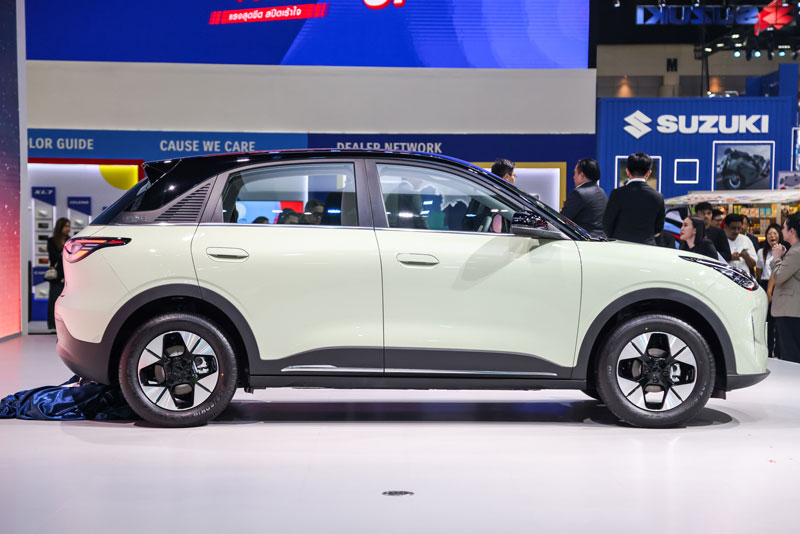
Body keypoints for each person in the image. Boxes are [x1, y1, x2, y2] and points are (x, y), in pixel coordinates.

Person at [602, 152, 665, 245]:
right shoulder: (658, 197)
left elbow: (607, 224)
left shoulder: (617, 194)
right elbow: (658, 229)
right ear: (648, 173)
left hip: (621, 246)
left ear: (627, 172)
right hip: (647, 247)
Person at [769, 213, 800, 363]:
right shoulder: (794, 250)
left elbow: (779, 277)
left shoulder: (796, 252)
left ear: (792, 231)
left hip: (790, 311)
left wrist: (776, 257)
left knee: (790, 355)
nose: (782, 230)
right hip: (791, 310)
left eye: (783, 227)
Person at [756, 223, 785, 358]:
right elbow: (759, 272)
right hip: (764, 285)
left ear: (780, 235)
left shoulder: (783, 251)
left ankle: (778, 352)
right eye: (769, 233)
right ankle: (767, 352)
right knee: (766, 321)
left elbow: (776, 272)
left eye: (774, 233)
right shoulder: (761, 252)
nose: (771, 236)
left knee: (778, 321)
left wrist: (770, 290)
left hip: (777, 286)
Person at [560, 158, 607, 239]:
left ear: (581, 176)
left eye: (575, 173)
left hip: (583, 240)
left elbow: (562, 219)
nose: (573, 177)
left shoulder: (578, 193)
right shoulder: (602, 192)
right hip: (602, 239)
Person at [47, 218, 71, 331]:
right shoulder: (51, 241)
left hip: (67, 274)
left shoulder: (70, 240)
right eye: (66, 226)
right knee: (53, 300)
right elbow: (53, 257)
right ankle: (52, 325)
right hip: (56, 275)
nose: (68, 229)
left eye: (69, 226)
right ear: (60, 227)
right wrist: (62, 254)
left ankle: (65, 327)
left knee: (66, 302)